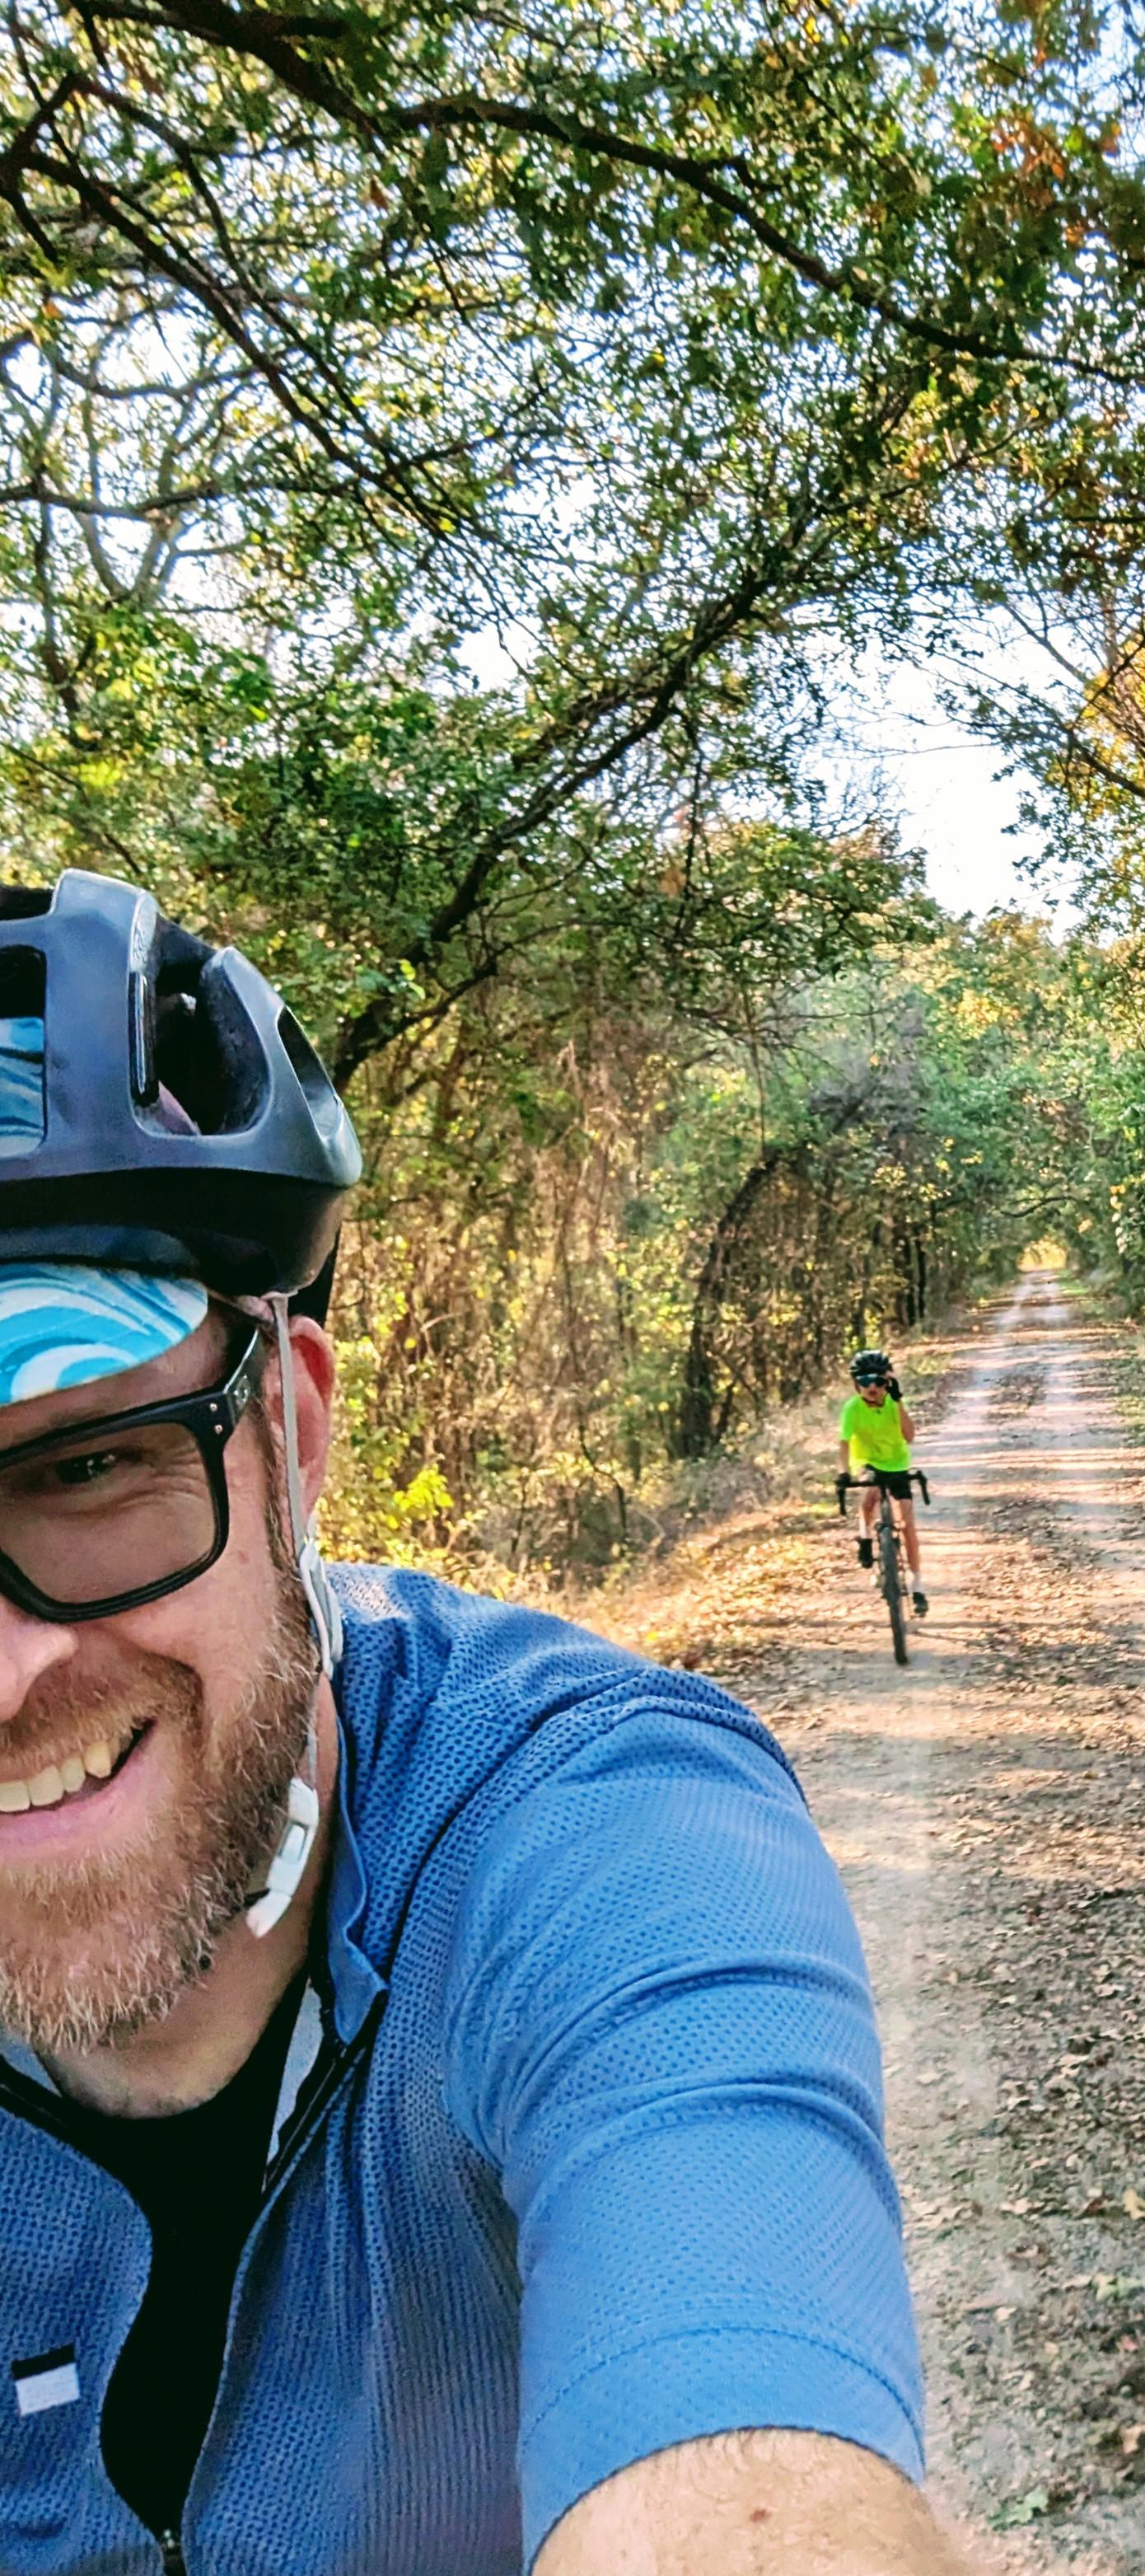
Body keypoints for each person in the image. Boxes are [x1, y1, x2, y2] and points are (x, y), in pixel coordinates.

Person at [0, 871, 969, 2576]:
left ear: (295, 1441)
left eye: (85, 1465)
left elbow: (737, 2379)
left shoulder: (587, 1826)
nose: (10, 1673)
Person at [836, 1350, 927, 1617]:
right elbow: (844, 1442)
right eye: (865, 1381)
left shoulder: (893, 1402)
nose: (872, 1387)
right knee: (870, 1493)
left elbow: (909, 1436)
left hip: (897, 1463)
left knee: (907, 1522)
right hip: (867, 1461)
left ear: (887, 1382)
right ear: (856, 1384)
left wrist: (898, 1401)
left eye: (878, 1380)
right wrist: (843, 1472)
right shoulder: (851, 1408)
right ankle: (865, 1538)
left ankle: (917, 1584)